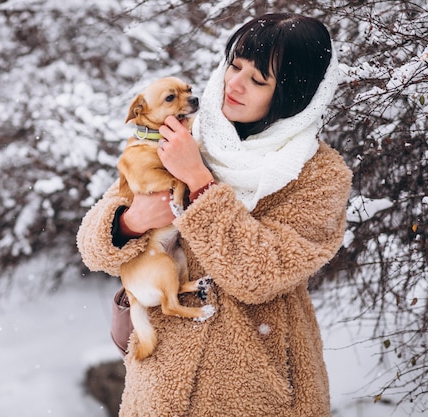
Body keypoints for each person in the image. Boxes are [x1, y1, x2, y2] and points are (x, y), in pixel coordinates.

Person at [77, 12, 352, 417]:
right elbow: (93, 249)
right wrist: (129, 222)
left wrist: (199, 182)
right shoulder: (185, 132)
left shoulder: (318, 174)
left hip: (259, 390)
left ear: (293, 95)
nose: (234, 85)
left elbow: (260, 275)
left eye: (258, 80)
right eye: (234, 67)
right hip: (162, 386)